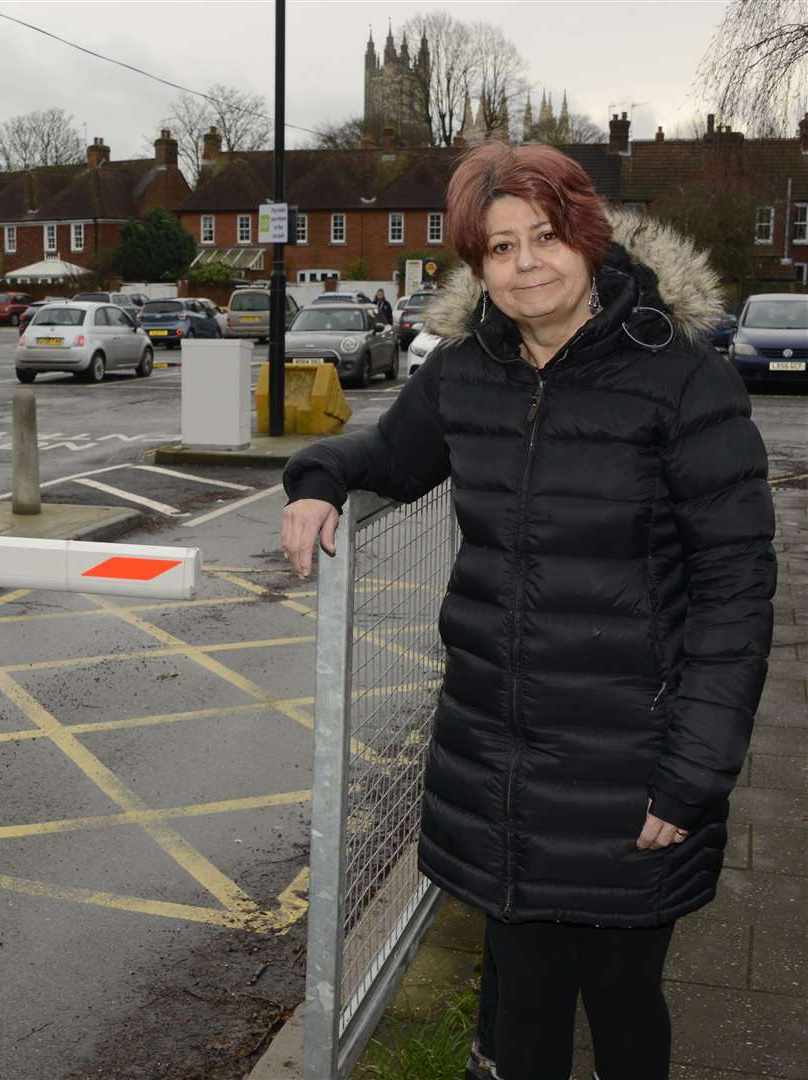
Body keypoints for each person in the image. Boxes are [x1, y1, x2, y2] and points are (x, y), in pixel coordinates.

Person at [279, 142, 776, 1080]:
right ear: (477, 265)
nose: (525, 265)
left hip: (632, 768)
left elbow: (736, 588)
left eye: (544, 237)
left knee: (625, 1003)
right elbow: (388, 454)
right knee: (525, 1013)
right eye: (498, 248)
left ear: (586, 237)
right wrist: (316, 481)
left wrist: (695, 771)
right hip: (497, 765)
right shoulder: (467, 374)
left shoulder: (682, 381)